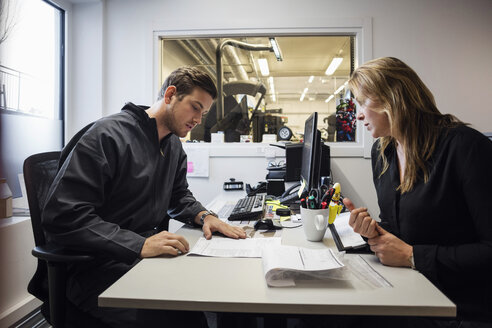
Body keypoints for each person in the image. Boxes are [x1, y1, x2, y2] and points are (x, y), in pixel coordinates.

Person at [42, 66, 247, 327]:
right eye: (195, 107)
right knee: (182, 317)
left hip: (137, 257)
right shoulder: (107, 135)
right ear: (171, 94)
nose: (199, 119)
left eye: (203, 113)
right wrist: (137, 245)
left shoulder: (172, 145)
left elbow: (178, 196)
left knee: (204, 291)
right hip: (94, 268)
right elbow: (64, 215)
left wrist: (204, 215)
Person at [341, 57, 492, 327]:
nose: (359, 115)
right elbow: (401, 227)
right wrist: (373, 232)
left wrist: (412, 256)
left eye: (363, 103)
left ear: (393, 99)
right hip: (414, 289)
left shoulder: (466, 148)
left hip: (460, 306)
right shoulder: (383, 152)